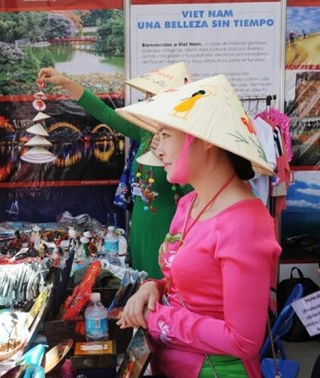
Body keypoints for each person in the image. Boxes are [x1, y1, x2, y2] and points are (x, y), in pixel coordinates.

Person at [115, 74, 281, 377]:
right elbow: (188, 278)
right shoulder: (188, 203)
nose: (157, 148)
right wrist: (154, 287)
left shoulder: (245, 223)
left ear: (204, 139)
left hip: (214, 370)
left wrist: (154, 318)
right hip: (169, 361)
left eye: (165, 134)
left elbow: (242, 339)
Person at [38, 63, 191, 279]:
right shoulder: (146, 131)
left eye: (152, 94)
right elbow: (103, 113)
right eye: (146, 93)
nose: (147, 98)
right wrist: (64, 81)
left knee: (165, 293)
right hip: (139, 227)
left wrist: (171, 157)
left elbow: (197, 193)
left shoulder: (188, 139)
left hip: (167, 231)